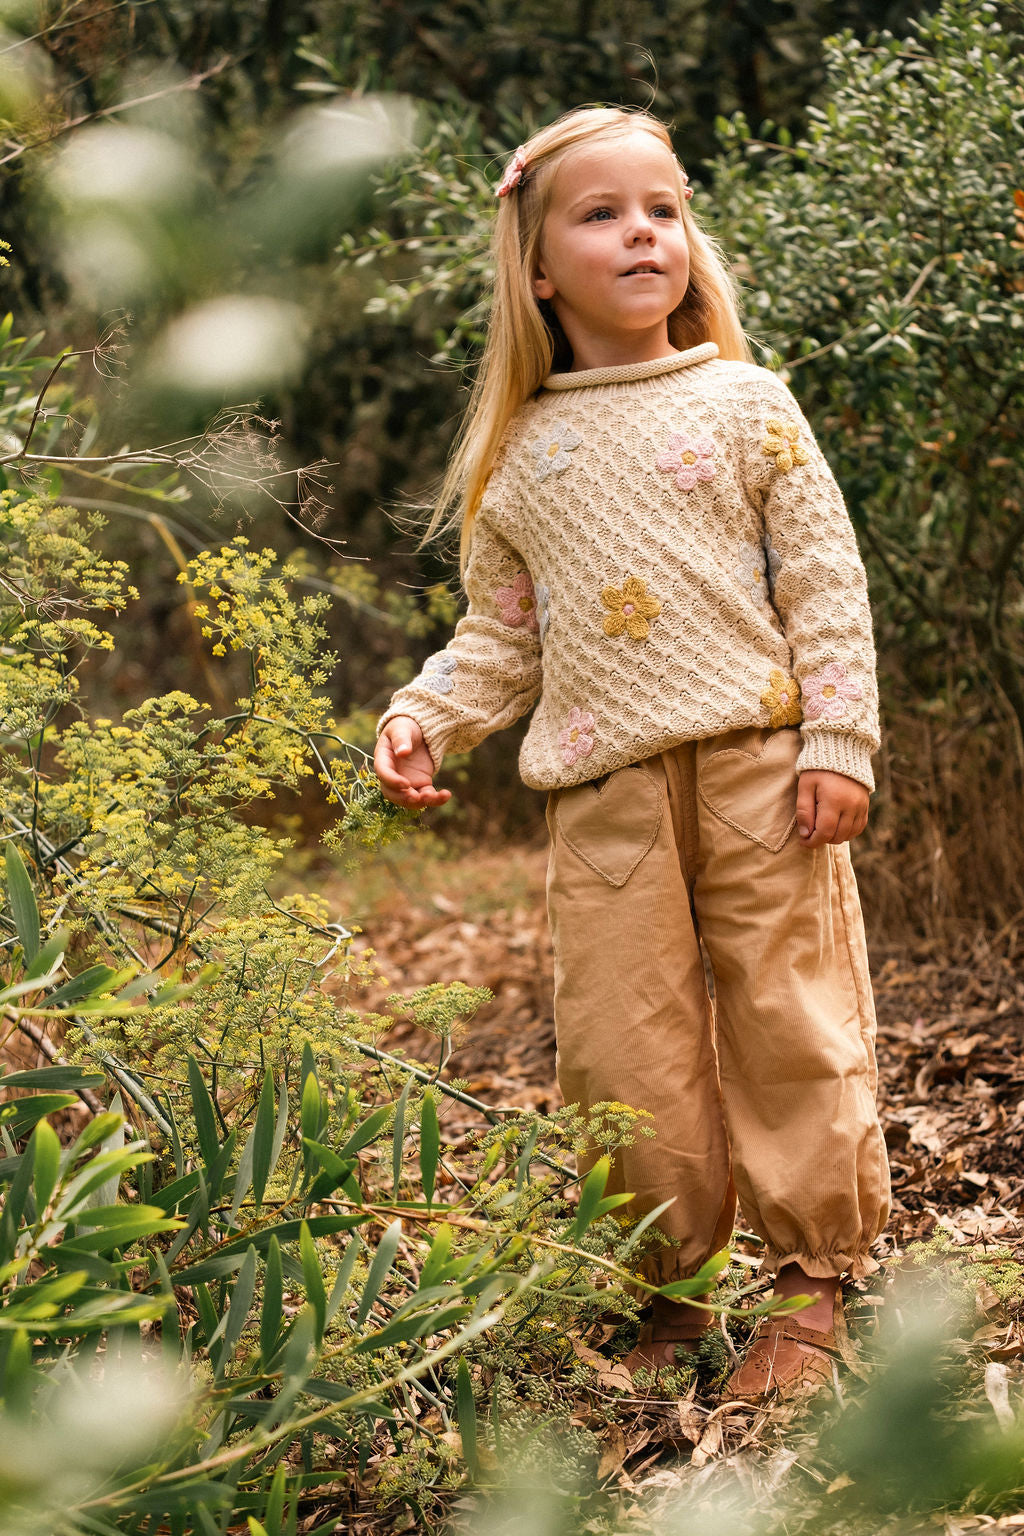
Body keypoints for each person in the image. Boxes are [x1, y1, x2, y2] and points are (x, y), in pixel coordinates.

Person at [373, 105, 891, 1403]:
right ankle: (668, 1289)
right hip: (604, 797)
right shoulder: (518, 455)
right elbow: (502, 638)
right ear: (539, 267)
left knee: (788, 1013)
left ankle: (811, 1282)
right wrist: (425, 715)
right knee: (623, 1051)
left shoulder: (747, 404)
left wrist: (840, 738)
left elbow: (825, 585)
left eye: (664, 208)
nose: (643, 232)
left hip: (762, 768)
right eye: (602, 214)